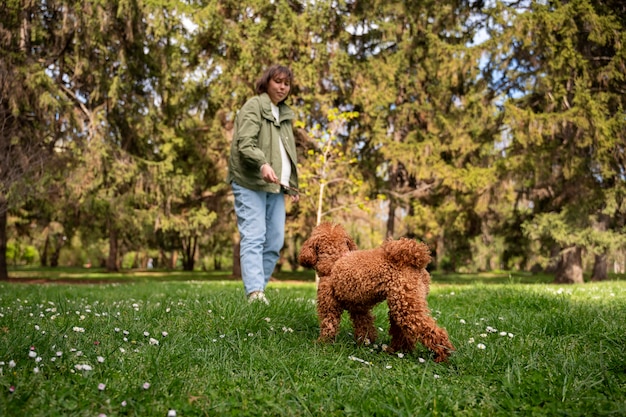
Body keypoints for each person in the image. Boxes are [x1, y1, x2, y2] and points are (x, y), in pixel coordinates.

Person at [227, 64, 300, 304]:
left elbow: (285, 152)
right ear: (267, 82)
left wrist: (290, 184)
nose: (282, 87)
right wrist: (262, 164)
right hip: (250, 181)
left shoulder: (285, 114)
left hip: (275, 186)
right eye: (278, 81)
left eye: (286, 83)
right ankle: (255, 293)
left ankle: (259, 291)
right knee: (254, 236)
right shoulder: (254, 106)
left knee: (275, 242)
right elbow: (244, 142)